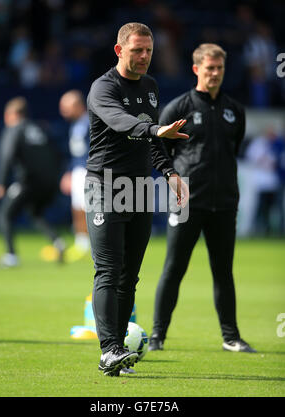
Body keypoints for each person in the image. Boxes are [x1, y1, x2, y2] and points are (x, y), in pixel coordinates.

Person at [85, 22, 189, 376]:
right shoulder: (103, 88)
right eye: (137, 50)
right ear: (119, 51)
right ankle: (109, 348)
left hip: (140, 190)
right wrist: (152, 128)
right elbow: (119, 122)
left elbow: (152, 139)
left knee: (130, 277)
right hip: (105, 187)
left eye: (149, 51)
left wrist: (170, 173)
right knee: (109, 271)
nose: (144, 57)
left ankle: (114, 356)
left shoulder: (151, 87)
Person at [149, 43, 257, 353]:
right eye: (209, 68)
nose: (215, 74)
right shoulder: (178, 108)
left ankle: (231, 337)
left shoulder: (235, 110)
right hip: (186, 204)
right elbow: (157, 148)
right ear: (196, 69)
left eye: (219, 68)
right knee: (174, 269)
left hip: (224, 203)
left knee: (223, 271)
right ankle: (157, 337)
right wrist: (171, 175)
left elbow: (232, 150)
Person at [0, 97, 65, 267]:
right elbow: (57, 154)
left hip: (27, 182)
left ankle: (11, 256)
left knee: (3, 215)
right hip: (48, 183)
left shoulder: (14, 129)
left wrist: (1, 183)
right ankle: (57, 241)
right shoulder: (40, 128)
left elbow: (6, 156)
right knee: (35, 213)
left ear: (12, 114)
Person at [58, 90, 91, 262]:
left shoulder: (90, 123)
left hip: (89, 171)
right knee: (78, 206)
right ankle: (81, 242)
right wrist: (70, 172)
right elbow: (76, 152)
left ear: (78, 105)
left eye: (66, 107)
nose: (64, 111)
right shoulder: (75, 125)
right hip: (78, 170)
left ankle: (92, 243)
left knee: (88, 207)